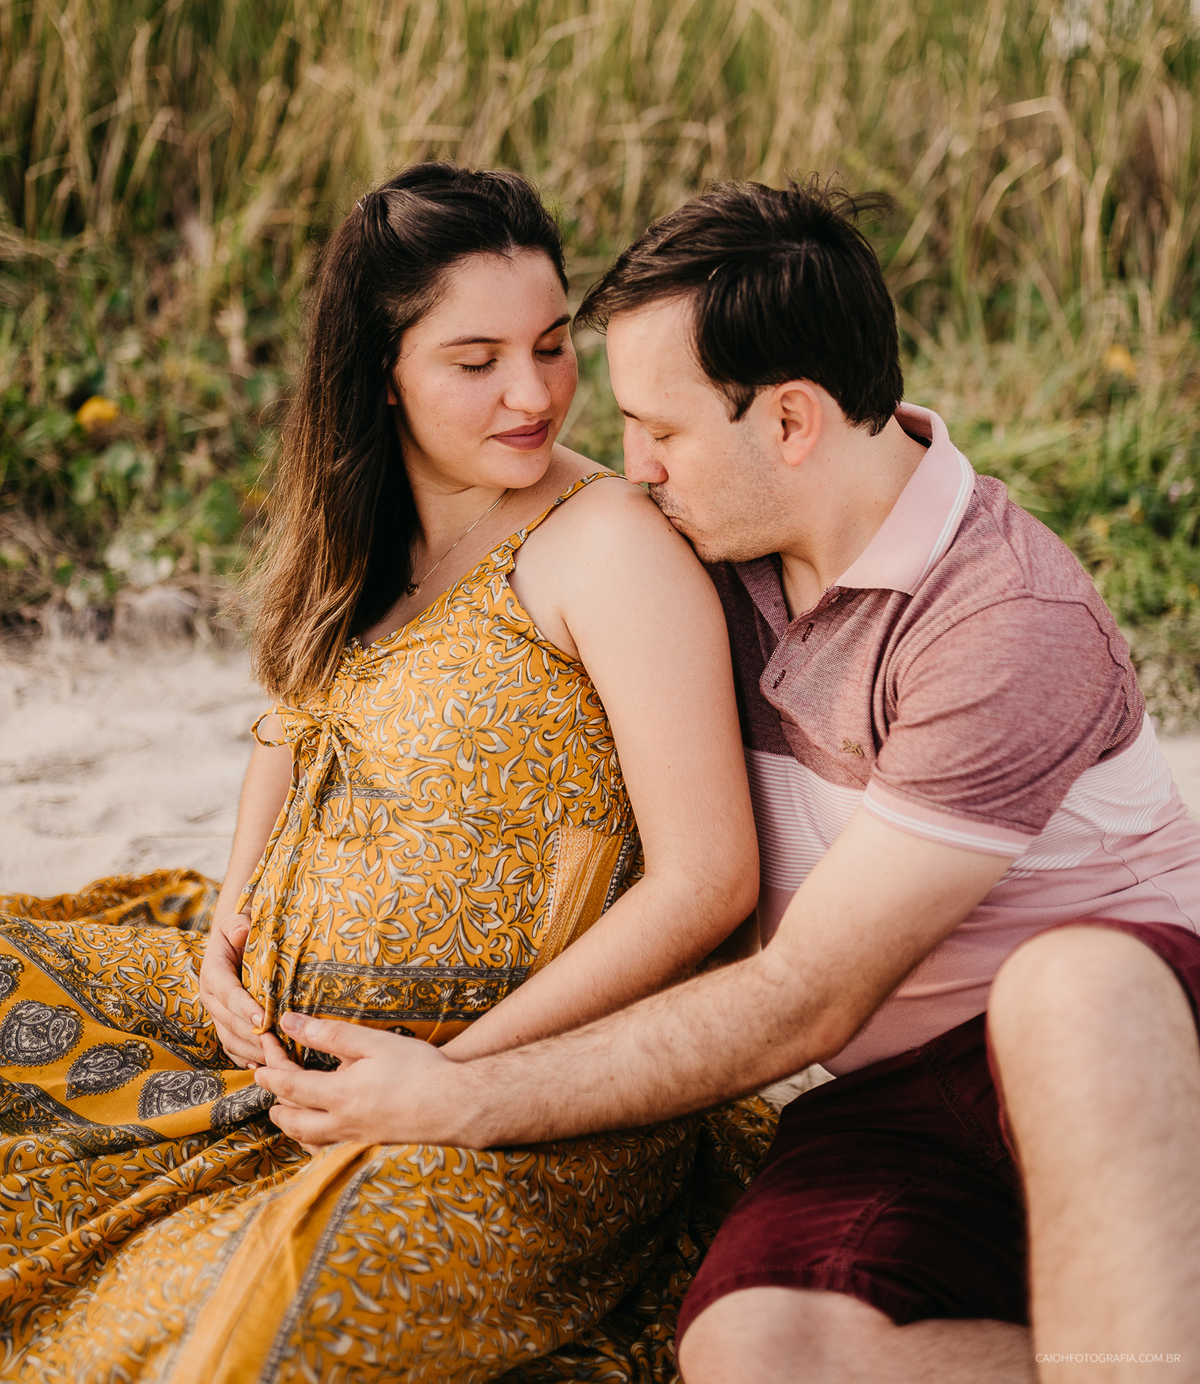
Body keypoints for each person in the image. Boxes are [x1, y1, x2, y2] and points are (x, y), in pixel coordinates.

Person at [261, 180, 1200, 1384]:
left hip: (1133, 1059)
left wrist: (464, 1092)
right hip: (902, 1099)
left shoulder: (1002, 620)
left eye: (659, 429)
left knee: (1062, 988)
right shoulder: (720, 543)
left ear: (792, 423)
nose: (624, 465)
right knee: (759, 1348)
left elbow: (807, 996)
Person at [0, 164, 770, 1383]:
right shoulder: (367, 534)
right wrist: (227, 918)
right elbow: (290, 724)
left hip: (516, 1106)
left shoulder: (606, 546)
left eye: (553, 343)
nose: (534, 392)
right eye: (477, 360)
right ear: (382, 370)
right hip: (271, 1043)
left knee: (260, 1323)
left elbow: (709, 880)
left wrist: (455, 1079)